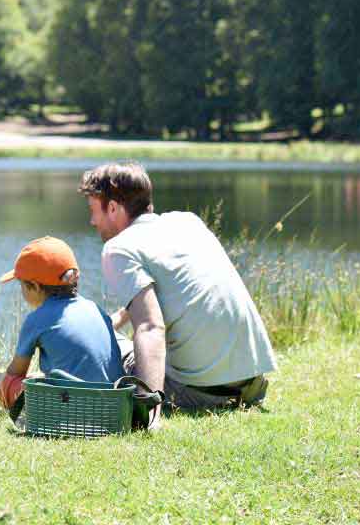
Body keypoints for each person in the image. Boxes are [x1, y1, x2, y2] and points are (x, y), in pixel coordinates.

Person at [79, 162, 277, 428]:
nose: (92, 221)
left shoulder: (118, 248)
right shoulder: (187, 222)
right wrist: (117, 319)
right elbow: (176, 290)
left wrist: (147, 411)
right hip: (251, 385)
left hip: (198, 394)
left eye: (94, 211)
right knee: (108, 330)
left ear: (113, 207)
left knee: (104, 342)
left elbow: (150, 326)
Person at [0, 236, 125, 414]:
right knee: (39, 377)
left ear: (35, 287)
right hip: (113, 407)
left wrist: (7, 379)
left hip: (72, 409)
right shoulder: (95, 308)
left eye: (21, 285)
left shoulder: (36, 320)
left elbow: (15, 373)